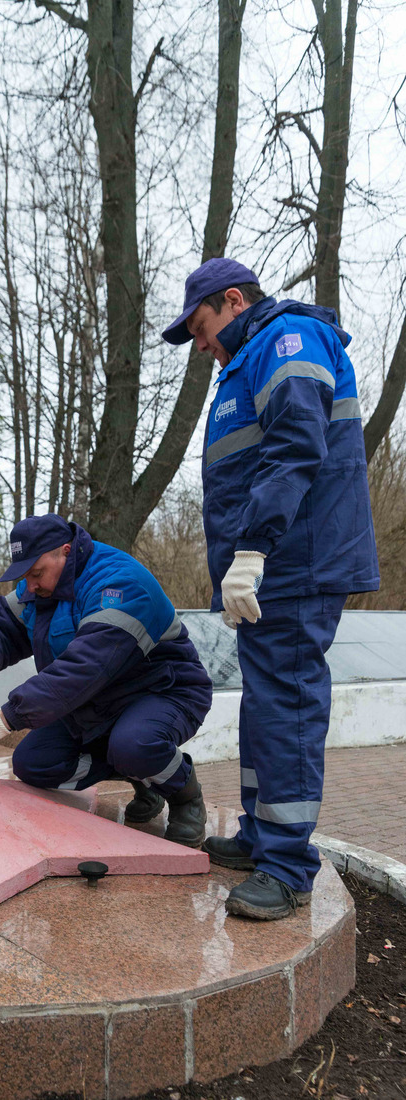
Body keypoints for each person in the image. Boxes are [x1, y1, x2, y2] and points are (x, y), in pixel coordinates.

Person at [163, 257, 379, 918]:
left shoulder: (286, 340)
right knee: (264, 705)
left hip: (295, 564)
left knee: (284, 705)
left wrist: (252, 548)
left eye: (200, 328)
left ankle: (287, 868)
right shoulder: (248, 360)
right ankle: (262, 836)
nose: (199, 345)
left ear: (232, 301)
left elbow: (294, 446)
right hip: (267, 573)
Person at [0, 513, 213, 847]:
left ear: (64, 550)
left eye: (35, 573)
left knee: (134, 745)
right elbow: (0, 626)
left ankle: (183, 793)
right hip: (94, 701)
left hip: (163, 692)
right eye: (25, 576)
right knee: (34, 764)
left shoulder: (121, 582)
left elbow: (86, 667)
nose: (29, 585)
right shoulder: (41, 588)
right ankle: (142, 774)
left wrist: (6, 717)